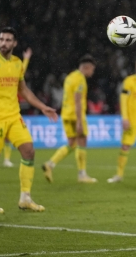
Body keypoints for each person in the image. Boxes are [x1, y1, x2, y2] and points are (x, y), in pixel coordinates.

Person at [0, 27, 58, 213]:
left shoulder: (17, 63)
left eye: (8, 40)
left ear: (14, 43)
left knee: (28, 151)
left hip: (14, 116)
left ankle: (25, 198)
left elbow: (24, 91)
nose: (4, 43)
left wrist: (42, 106)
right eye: (1, 39)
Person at [42, 55, 97, 183]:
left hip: (66, 114)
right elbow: (77, 101)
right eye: (92, 69)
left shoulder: (70, 77)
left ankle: (50, 164)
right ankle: (82, 175)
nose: (92, 72)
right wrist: (79, 121)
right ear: (87, 67)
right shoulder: (80, 79)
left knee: (72, 143)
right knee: (82, 141)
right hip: (75, 115)